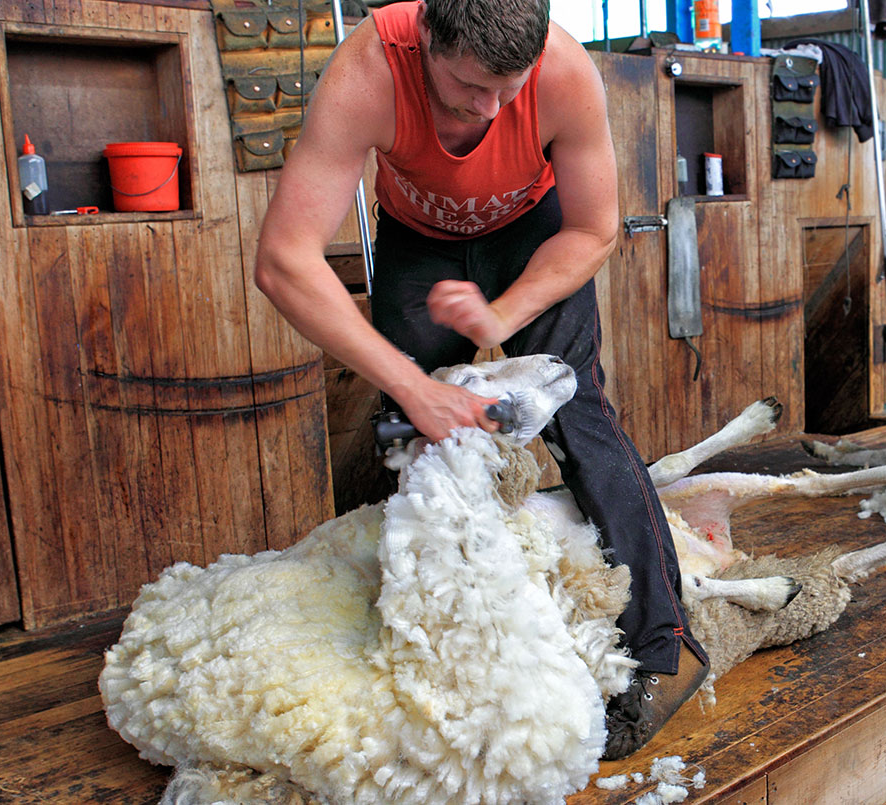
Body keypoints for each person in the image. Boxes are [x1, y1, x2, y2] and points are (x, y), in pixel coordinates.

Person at [254, 0, 708, 760]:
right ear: (427, 39)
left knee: (580, 415)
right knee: (411, 431)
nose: (490, 109)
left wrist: (496, 317)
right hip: (419, 242)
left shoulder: (563, 72)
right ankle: (437, 646)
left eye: (508, 88)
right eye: (468, 87)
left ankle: (669, 646)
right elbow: (283, 261)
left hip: (536, 233)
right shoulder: (370, 73)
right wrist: (412, 384)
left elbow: (593, 230)